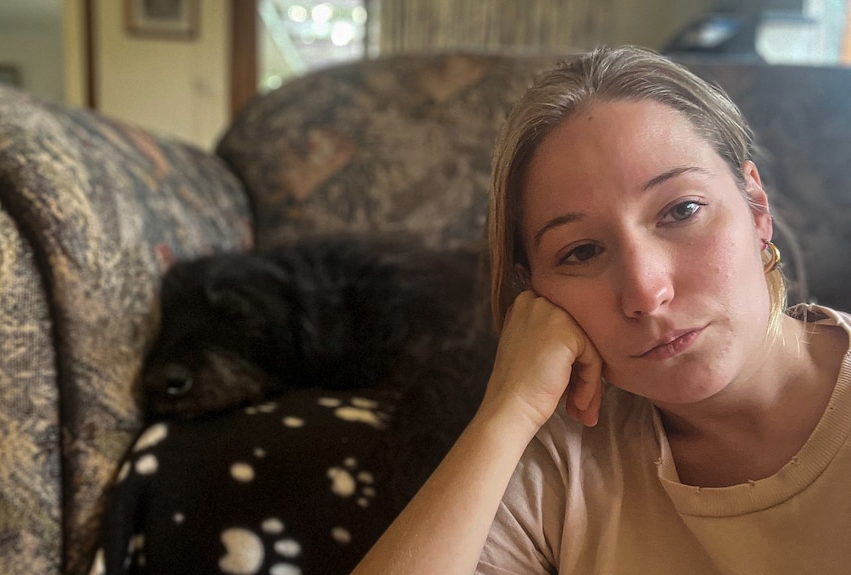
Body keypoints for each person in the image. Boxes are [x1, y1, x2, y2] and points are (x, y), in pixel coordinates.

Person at [349, 45, 851, 574]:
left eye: (681, 211)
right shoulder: (558, 462)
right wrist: (506, 412)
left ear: (756, 208)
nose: (645, 292)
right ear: (536, 293)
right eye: (581, 252)